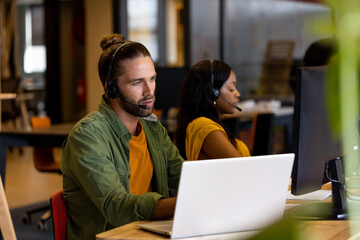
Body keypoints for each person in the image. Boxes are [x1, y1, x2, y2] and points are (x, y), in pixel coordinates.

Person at [61, 33, 184, 239]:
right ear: (112, 88)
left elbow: (181, 176)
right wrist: (180, 205)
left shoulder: (153, 129)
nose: (149, 91)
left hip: (149, 232)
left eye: (152, 79)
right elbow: (115, 205)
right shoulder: (87, 136)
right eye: (137, 83)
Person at [174, 59, 251, 160]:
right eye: (231, 89)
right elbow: (242, 167)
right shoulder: (206, 128)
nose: (237, 93)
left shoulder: (210, 125)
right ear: (214, 93)